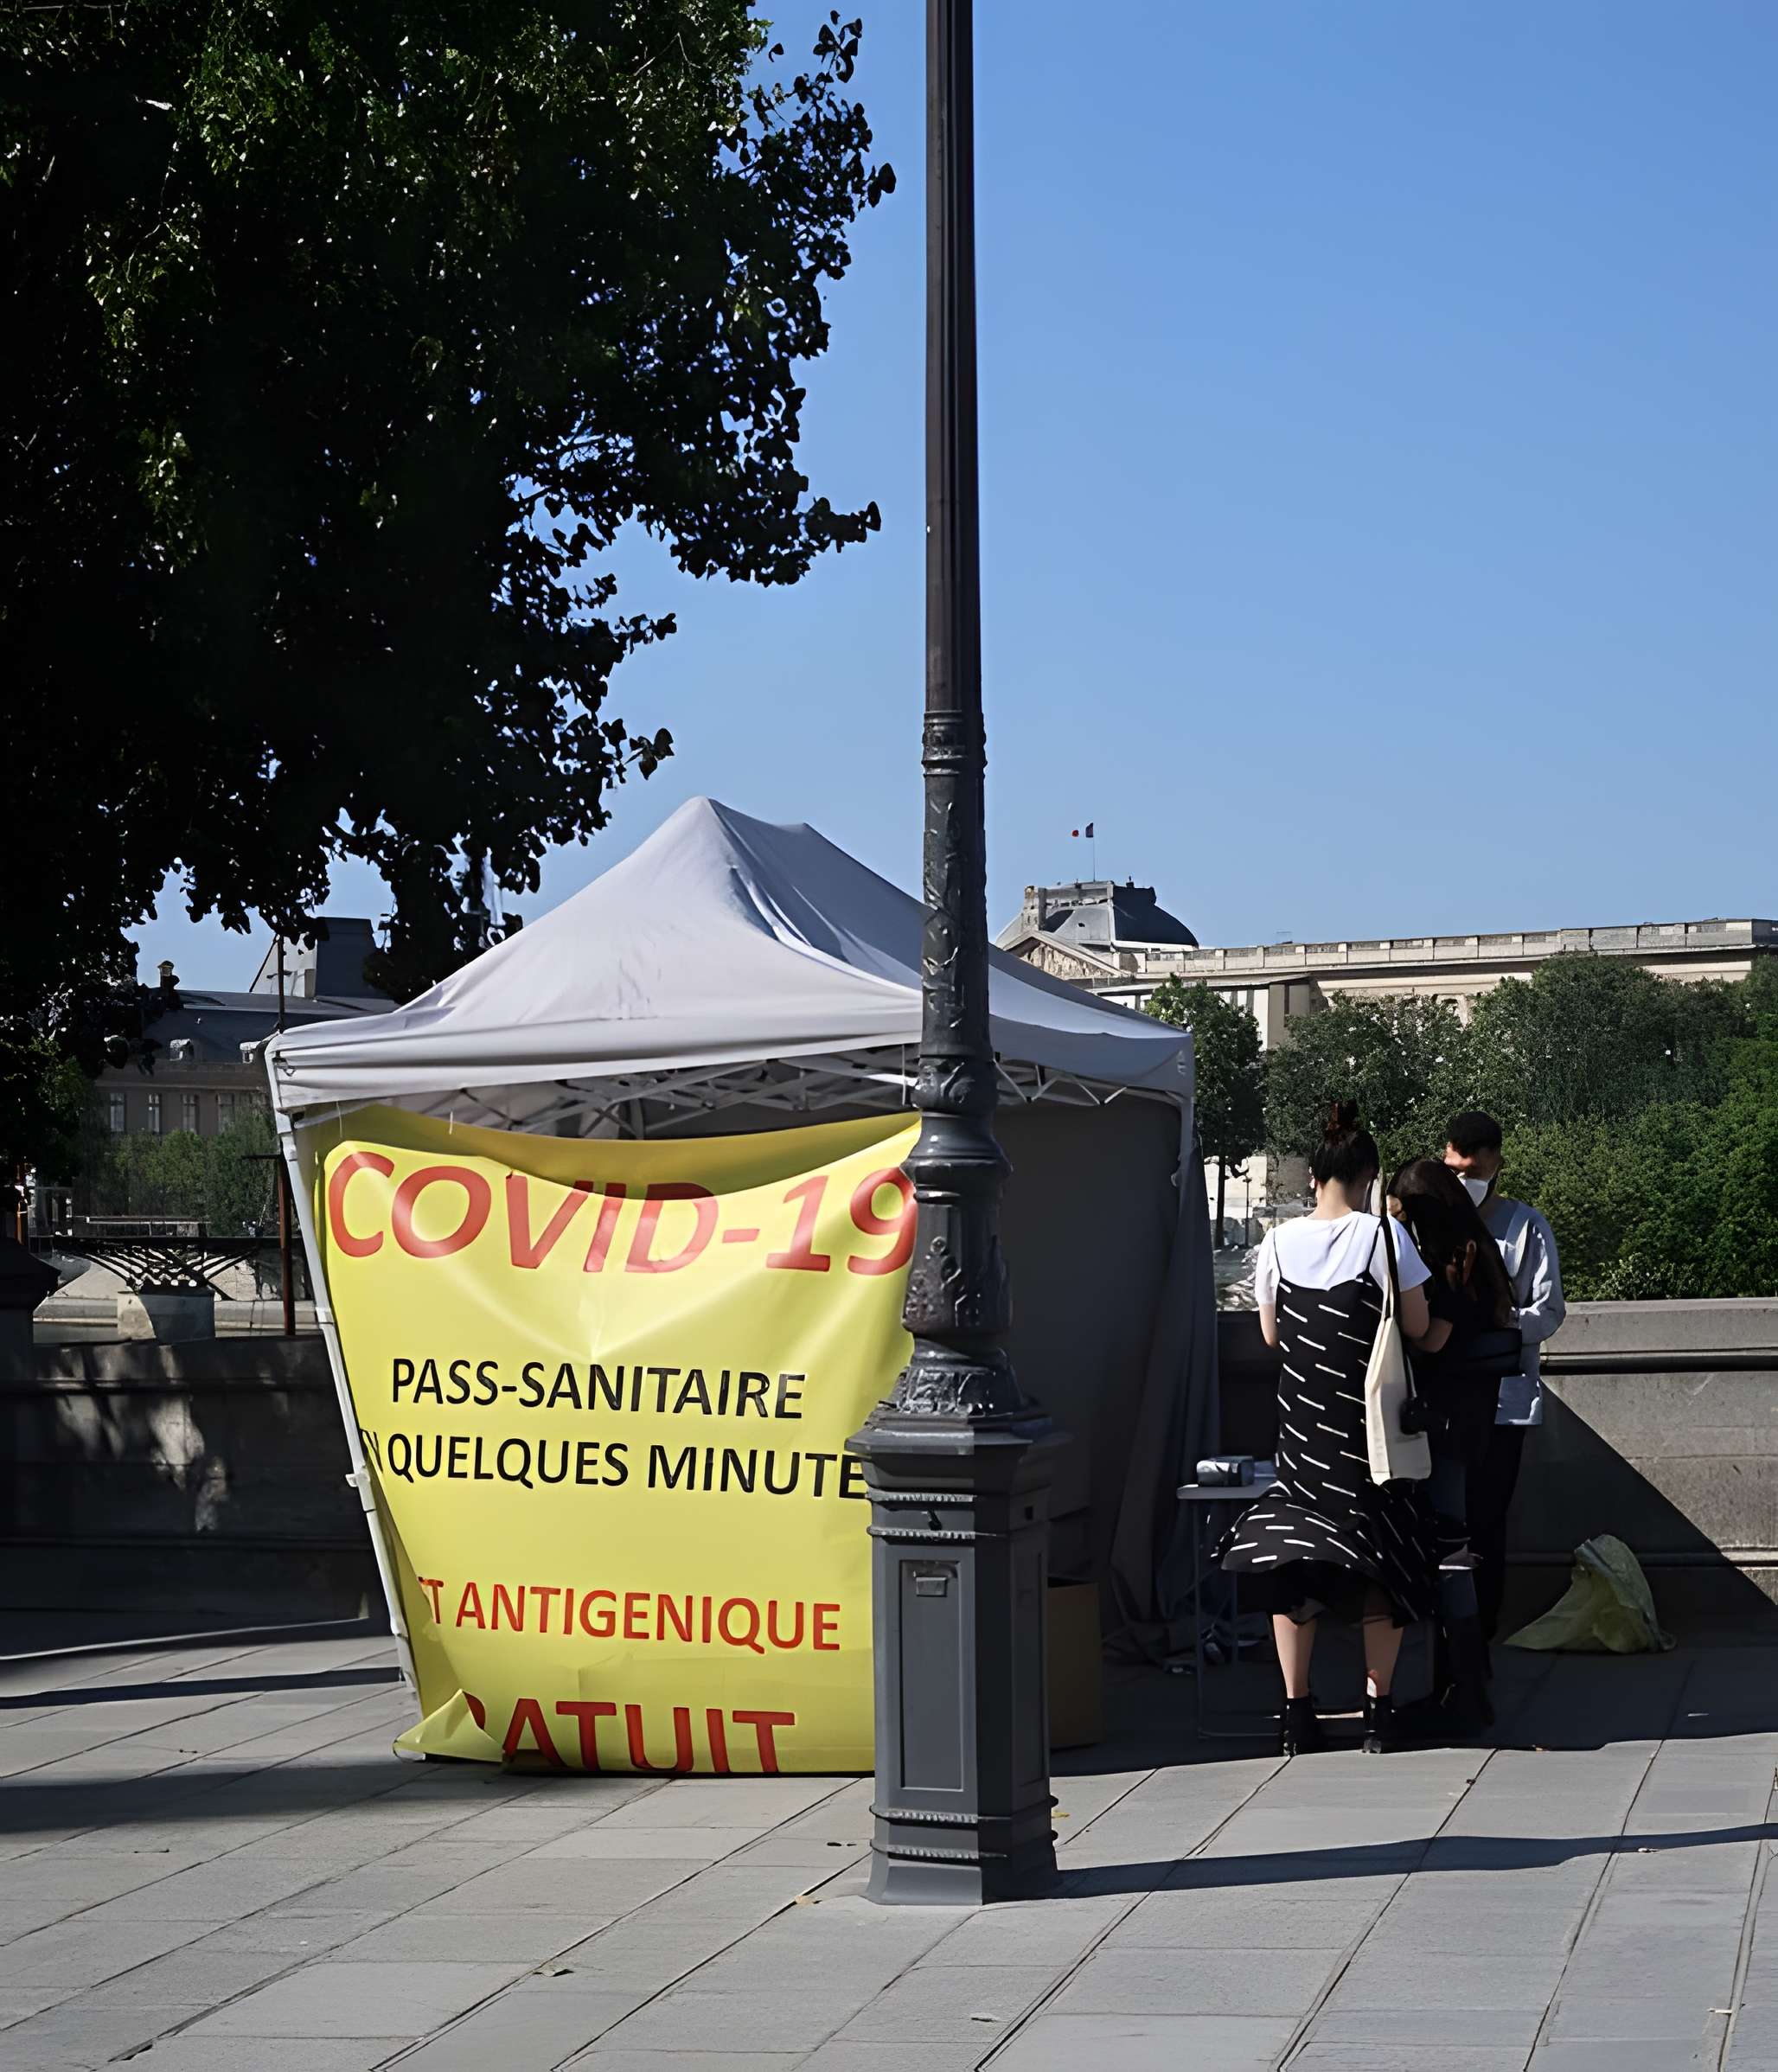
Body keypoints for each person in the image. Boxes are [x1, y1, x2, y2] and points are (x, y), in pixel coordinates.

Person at [1222, 1103, 1437, 1757]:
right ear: (1369, 1176)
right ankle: (1378, 1712)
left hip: (1303, 1433)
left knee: (1296, 1567)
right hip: (1366, 1432)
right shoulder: (1383, 1238)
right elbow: (1420, 1326)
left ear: (1313, 1175)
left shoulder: (1278, 1243)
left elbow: (1269, 1333)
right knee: (1384, 1564)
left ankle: (1297, 1711)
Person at [1387, 1158, 1521, 1736]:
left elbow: (1434, 1337)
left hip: (1443, 1425)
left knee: (1447, 1555)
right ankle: (1465, 1686)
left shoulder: (1449, 1268)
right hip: (1474, 1421)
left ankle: (1463, 1693)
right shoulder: (1480, 1253)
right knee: (1457, 1551)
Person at [1443, 1110, 1566, 1640]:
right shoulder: (1431, 1226)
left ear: (1495, 1164)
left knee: (1489, 1518)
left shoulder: (1526, 1226)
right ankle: (1449, 1622)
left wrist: (1505, 1320)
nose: (1462, 1180)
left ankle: (1483, 1629)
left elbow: (1551, 1309)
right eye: (1453, 1169)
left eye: (1471, 1170)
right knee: (1445, 1520)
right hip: (1445, 1396)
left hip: (1504, 1399)